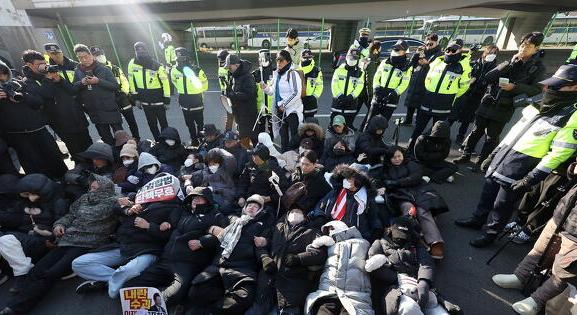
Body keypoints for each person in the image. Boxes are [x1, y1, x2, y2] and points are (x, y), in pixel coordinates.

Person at [455, 64, 577, 247]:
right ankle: (477, 220)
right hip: (505, 154)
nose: (548, 88)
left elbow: (559, 153)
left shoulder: (572, 115)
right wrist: (494, 153)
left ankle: (491, 233)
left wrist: (531, 177)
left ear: (574, 87)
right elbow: (514, 131)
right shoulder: (540, 102)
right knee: (487, 193)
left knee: (503, 204)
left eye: (555, 86)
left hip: (523, 163)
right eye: (549, 85)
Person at [0, 175, 119, 315]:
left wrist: (126, 205)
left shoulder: (113, 202)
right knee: (36, 271)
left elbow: (125, 211)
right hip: (66, 240)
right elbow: (69, 216)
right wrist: (59, 225)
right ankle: (12, 304)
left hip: (86, 245)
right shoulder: (83, 199)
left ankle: (15, 309)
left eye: (94, 188)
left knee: (49, 274)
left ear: (105, 189)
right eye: (90, 187)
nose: (91, 190)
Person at [72, 173, 181, 298]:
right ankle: (112, 281)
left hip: (147, 250)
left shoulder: (175, 208)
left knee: (128, 271)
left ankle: (112, 287)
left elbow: (170, 236)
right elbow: (116, 208)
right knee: (78, 264)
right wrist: (128, 209)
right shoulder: (140, 198)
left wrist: (149, 226)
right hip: (124, 245)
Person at [492, 160, 577, 315]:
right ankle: (520, 277)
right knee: (540, 249)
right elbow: (570, 175)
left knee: (563, 270)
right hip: (562, 214)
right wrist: (573, 168)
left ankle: (537, 301)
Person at [454, 32, 545, 172]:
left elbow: (536, 89)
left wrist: (514, 87)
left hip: (505, 106)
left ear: (536, 49)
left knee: (491, 137)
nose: (523, 49)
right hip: (488, 101)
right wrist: (508, 63)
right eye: (522, 45)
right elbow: (489, 77)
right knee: (475, 131)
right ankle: (465, 155)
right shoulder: (510, 61)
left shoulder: (538, 67)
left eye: (528, 46)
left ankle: (480, 163)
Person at [124, 187, 228, 308]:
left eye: (200, 198)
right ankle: (144, 307)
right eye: (194, 198)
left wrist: (203, 242)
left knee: (174, 295)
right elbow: (165, 232)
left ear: (208, 201)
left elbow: (226, 236)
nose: (195, 200)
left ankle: (148, 307)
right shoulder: (182, 212)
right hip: (165, 260)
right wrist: (158, 225)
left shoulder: (215, 216)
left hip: (186, 265)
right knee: (129, 287)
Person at [188, 194, 272, 315]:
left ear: (260, 211)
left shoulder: (263, 226)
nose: (252, 208)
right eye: (249, 205)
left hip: (243, 270)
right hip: (219, 266)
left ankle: (210, 311)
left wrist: (265, 242)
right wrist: (210, 231)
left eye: (256, 206)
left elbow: (269, 244)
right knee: (195, 292)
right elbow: (213, 228)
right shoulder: (231, 219)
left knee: (244, 298)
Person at [0, 54, 68, 179]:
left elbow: (38, 102)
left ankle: (66, 182)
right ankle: (41, 190)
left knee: (54, 158)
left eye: (3, 73)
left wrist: (23, 96)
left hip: (38, 130)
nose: (2, 78)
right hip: (17, 136)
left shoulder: (20, 84)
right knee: (33, 166)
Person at [365, 217, 449, 315]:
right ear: (390, 231)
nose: (401, 240)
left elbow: (426, 263)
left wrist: (424, 282)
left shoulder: (416, 245)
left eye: (404, 237)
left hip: (419, 286)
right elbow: (373, 269)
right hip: (395, 290)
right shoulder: (379, 243)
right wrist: (395, 276)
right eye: (398, 236)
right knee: (409, 309)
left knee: (440, 312)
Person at [376, 147, 448, 259]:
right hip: (400, 195)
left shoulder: (411, 164)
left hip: (419, 191)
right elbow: (382, 182)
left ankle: (435, 242)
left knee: (423, 211)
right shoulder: (385, 169)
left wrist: (397, 182)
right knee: (409, 210)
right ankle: (418, 240)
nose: (397, 159)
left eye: (399, 156)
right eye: (394, 157)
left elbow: (416, 177)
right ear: (389, 159)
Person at [0, 174, 68, 288]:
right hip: (30, 236)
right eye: (27, 194)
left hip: (45, 241)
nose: (30, 197)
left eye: (32, 194)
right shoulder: (26, 203)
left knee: (6, 239)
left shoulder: (58, 203)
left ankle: (23, 274)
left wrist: (49, 235)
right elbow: (13, 218)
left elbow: (60, 224)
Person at [261, 206, 327, 314]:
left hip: (292, 289)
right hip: (268, 286)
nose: (295, 213)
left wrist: (298, 258)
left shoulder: (312, 232)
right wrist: (265, 258)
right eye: (292, 212)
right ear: (287, 216)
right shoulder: (277, 228)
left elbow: (321, 253)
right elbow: (261, 244)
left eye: (298, 212)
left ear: (305, 217)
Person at [407, 41, 471, 152]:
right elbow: (428, 77)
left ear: (459, 51)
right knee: (418, 128)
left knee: (436, 133)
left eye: (453, 50)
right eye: (448, 50)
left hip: (443, 106)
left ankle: (428, 153)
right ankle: (410, 150)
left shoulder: (464, 66)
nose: (450, 52)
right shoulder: (438, 60)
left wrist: (450, 96)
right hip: (427, 102)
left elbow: (463, 87)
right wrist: (428, 91)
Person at [305, 220, 374, 315]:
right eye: (328, 231)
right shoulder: (327, 245)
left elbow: (373, 259)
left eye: (331, 229)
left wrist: (379, 259)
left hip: (355, 296)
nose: (330, 232)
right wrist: (315, 245)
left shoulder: (363, 243)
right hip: (328, 294)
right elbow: (313, 266)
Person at [43, 43, 92, 159]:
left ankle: (92, 159)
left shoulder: (75, 65)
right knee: (72, 142)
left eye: (57, 53)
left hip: (78, 105)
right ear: (48, 54)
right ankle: (79, 163)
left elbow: (80, 84)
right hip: (62, 111)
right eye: (52, 54)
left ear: (61, 52)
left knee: (85, 137)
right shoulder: (48, 69)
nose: (56, 56)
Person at [311, 164, 382, 241]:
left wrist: (373, 236)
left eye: (351, 178)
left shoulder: (367, 199)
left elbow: (374, 220)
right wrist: (319, 217)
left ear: (359, 181)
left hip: (356, 237)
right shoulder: (337, 192)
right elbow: (321, 206)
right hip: (331, 230)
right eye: (347, 177)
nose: (347, 180)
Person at [71, 44, 124, 145]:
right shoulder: (78, 71)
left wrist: (98, 81)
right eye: (80, 58)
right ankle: (113, 158)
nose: (84, 60)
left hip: (110, 109)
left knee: (120, 137)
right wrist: (81, 83)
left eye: (85, 56)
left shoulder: (104, 68)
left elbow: (115, 86)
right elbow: (74, 88)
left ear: (91, 55)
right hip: (94, 112)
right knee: (106, 139)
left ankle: (125, 157)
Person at [450, 45, 499, 145]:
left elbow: (492, 82)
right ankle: (441, 131)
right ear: (484, 53)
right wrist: (470, 80)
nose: (492, 55)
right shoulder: (475, 63)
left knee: (467, 119)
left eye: (494, 53)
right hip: (465, 92)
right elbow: (464, 73)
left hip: (478, 96)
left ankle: (460, 136)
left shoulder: (494, 68)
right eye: (490, 53)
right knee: (453, 114)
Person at [92, 46, 141, 140]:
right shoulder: (94, 71)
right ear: (93, 57)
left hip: (122, 98)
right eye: (97, 55)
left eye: (101, 54)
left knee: (131, 121)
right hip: (109, 102)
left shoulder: (115, 68)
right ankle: (122, 142)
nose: (100, 56)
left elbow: (124, 81)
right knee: (116, 125)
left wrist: (123, 93)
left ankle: (136, 138)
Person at [128, 42, 171, 142]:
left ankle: (166, 142)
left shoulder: (157, 65)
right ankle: (157, 142)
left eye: (142, 49)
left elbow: (165, 83)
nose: (140, 51)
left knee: (164, 124)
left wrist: (167, 100)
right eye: (137, 50)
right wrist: (135, 98)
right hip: (145, 101)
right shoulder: (132, 63)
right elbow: (131, 81)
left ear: (147, 50)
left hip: (158, 100)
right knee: (152, 124)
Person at [262, 50, 304, 152]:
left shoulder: (292, 73)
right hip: (280, 111)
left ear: (288, 61)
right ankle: (285, 156)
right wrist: (265, 88)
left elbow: (296, 93)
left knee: (294, 137)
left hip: (292, 111)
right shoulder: (277, 74)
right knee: (283, 137)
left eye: (281, 60)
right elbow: (273, 92)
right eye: (277, 60)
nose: (278, 63)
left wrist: (284, 104)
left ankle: (295, 156)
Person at [401, 33, 443, 126]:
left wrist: (427, 65)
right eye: (427, 44)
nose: (428, 46)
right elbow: (412, 64)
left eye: (431, 44)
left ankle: (418, 123)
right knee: (411, 101)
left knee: (421, 104)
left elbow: (438, 69)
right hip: (416, 78)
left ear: (436, 43)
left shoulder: (439, 54)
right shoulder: (422, 51)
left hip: (427, 81)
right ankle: (408, 120)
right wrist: (416, 55)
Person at [170, 47, 208, 146]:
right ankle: (193, 140)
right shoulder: (174, 70)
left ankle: (201, 140)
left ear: (187, 57)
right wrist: (182, 91)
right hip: (184, 99)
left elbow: (205, 84)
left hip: (196, 99)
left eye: (181, 58)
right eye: (177, 58)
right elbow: (174, 81)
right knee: (189, 123)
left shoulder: (197, 70)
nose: (179, 60)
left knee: (200, 123)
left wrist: (197, 91)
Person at [369, 40, 413, 122]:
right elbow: (376, 77)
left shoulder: (407, 66)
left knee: (382, 124)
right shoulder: (384, 62)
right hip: (378, 95)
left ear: (404, 52)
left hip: (391, 98)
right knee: (370, 122)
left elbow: (404, 83)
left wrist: (394, 93)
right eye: (395, 48)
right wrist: (376, 89)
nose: (395, 50)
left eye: (398, 49)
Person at [238, 145, 288, 209]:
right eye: (253, 156)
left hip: (266, 203)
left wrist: (269, 198)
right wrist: (241, 196)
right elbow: (243, 181)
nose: (254, 159)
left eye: (256, 157)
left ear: (264, 158)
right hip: (249, 199)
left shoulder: (273, 170)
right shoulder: (250, 165)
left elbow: (283, 189)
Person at [224, 54, 258, 147]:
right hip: (239, 113)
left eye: (229, 67)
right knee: (244, 136)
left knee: (247, 137)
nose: (228, 69)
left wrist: (233, 95)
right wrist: (229, 91)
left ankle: (250, 155)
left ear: (236, 65)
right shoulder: (235, 75)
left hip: (247, 113)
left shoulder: (247, 76)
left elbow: (250, 94)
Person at [331, 48, 365, 128]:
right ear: (346, 58)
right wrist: (339, 95)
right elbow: (334, 84)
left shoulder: (360, 73)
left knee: (348, 126)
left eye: (354, 58)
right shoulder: (339, 70)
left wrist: (351, 96)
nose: (352, 60)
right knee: (334, 124)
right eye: (350, 58)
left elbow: (360, 86)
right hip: (337, 101)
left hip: (351, 103)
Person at [356, 41, 382, 129]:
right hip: (367, 91)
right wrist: (372, 95)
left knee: (356, 108)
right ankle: (364, 127)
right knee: (373, 109)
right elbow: (370, 80)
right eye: (380, 49)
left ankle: (350, 124)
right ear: (375, 50)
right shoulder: (372, 62)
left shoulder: (367, 59)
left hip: (362, 89)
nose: (380, 51)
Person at [253, 49, 275, 137]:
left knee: (271, 129)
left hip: (271, 107)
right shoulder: (256, 74)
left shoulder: (275, 72)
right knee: (260, 129)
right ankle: (261, 145)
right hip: (260, 107)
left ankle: (271, 144)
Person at [299, 49, 324, 119]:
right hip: (298, 100)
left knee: (309, 121)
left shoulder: (316, 70)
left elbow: (320, 85)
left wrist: (314, 96)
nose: (307, 59)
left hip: (311, 100)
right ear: (301, 58)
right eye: (305, 58)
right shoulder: (296, 70)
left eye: (309, 57)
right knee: (298, 122)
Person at [217, 49, 235, 132]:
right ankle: (235, 132)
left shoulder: (220, 68)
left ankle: (227, 132)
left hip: (224, 93)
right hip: (231, 94)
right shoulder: (228, 69)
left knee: (229, 115)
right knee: (234, 114)